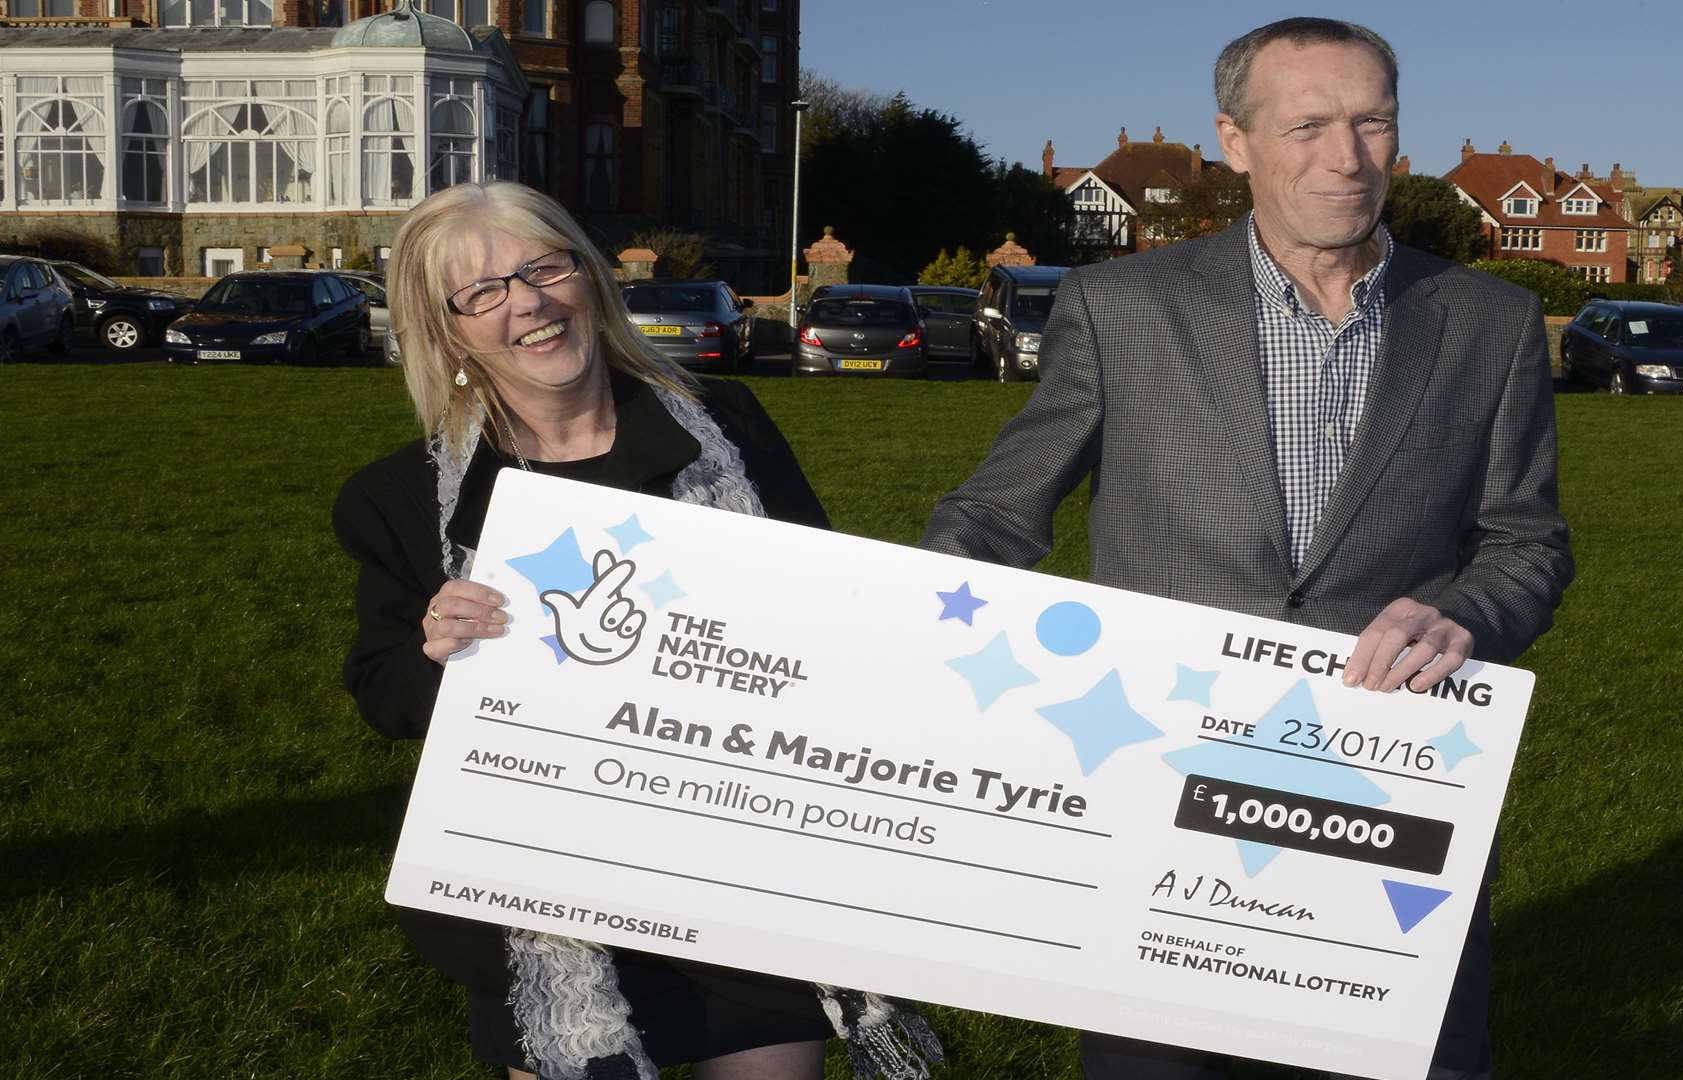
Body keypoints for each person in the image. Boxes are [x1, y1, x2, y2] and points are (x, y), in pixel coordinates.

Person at [920, 17, 1574, 1080]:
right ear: (1235, 140)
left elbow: (1525, 541)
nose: (1348, 157)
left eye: (1373, 122)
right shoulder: (1123, 306)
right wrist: (902, 632)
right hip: (1159, 791)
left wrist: (1465, 613)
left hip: (1388, 790)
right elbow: (996, 516)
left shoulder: (1488, 323)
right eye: (1308, 124)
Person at [334, 181, 940, 1080]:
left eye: (546, 267)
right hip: (551, 909)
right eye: (485, 292)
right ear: (448, 330)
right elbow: (383, 691)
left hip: (746, 879)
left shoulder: (726, 423)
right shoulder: (400, 499)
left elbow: (829, 619)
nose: (530, 303)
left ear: (590, 278)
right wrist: (437, 650)